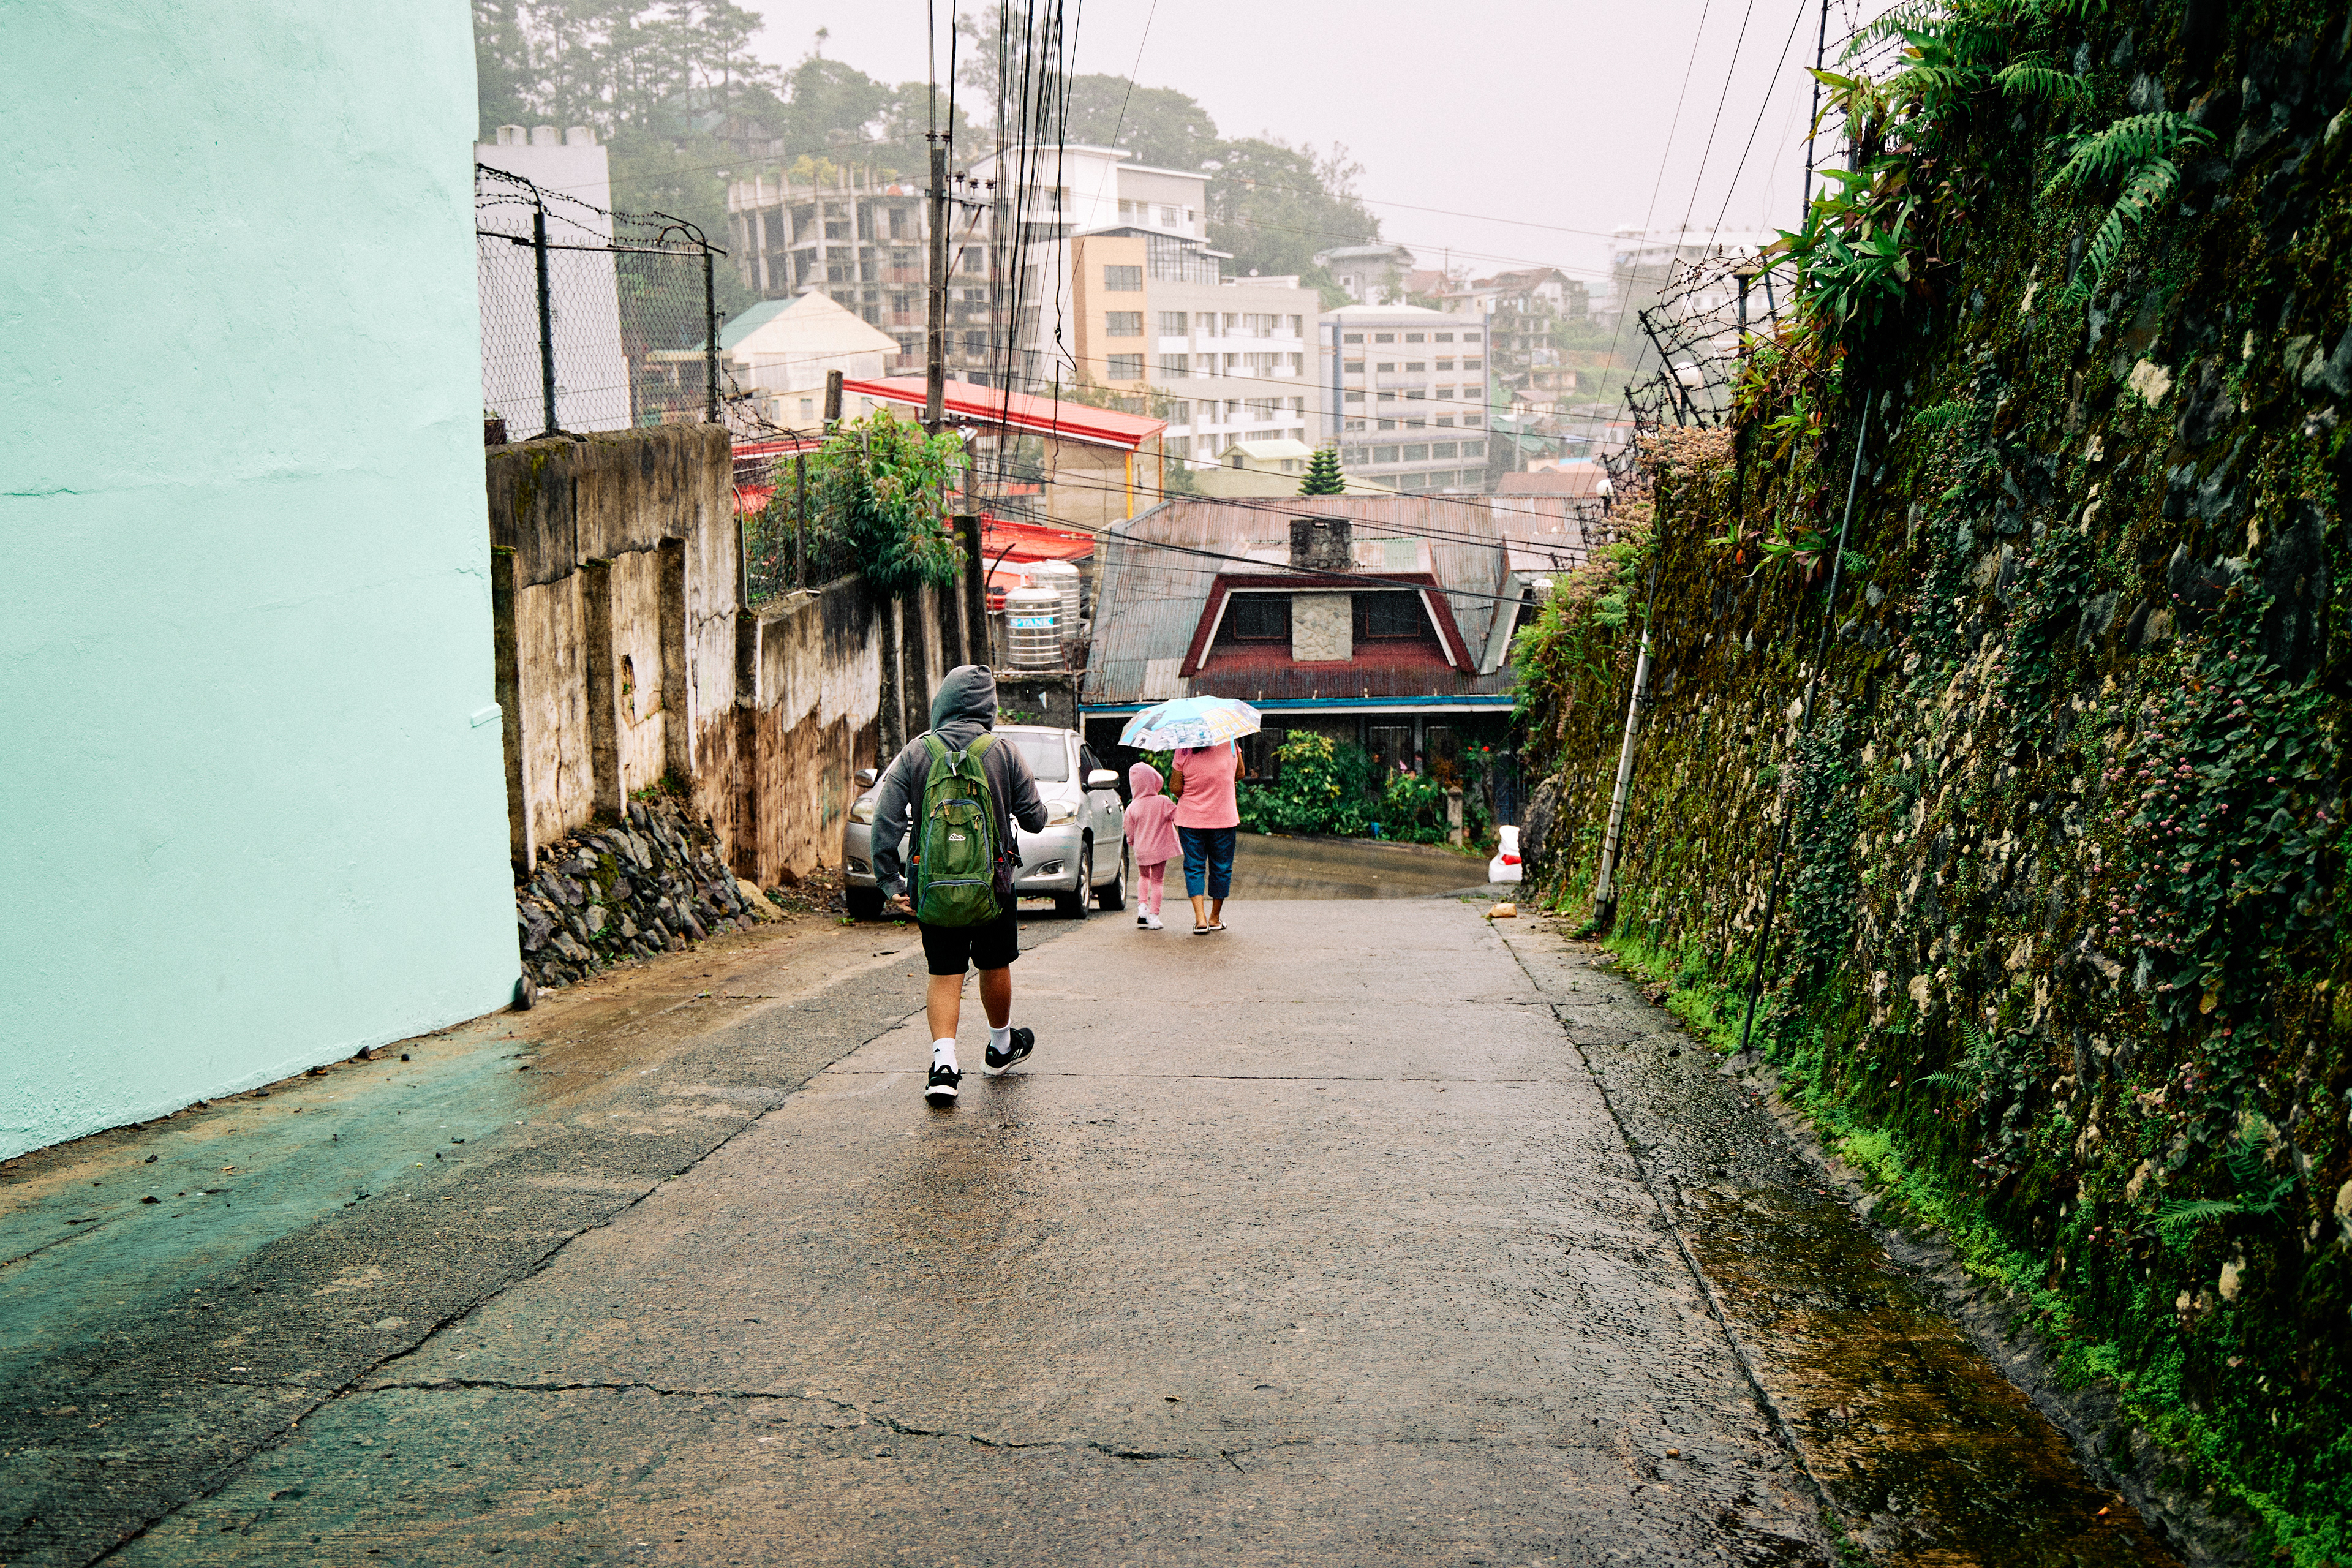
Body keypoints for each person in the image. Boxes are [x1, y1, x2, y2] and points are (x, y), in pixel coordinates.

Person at [868, 666, 1049, 1108]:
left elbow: (885, 821)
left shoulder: (916, 753)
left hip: (933, 888)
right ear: (988, 706)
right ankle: (1001, 1047)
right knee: (994, 963)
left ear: (943, 701)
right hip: (994, 886)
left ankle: (943, 1066)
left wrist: (890, 881)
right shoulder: (1002, 751)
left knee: (945, 972)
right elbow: (1037, 819)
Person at [1171, 739, 1243, 935]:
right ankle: (1215, 918)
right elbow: (1240, 773)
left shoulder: (1184, 748)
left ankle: (1200, 920)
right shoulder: (1230, 742)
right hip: (1224, 817)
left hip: (1191, 820)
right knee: (1221, 867)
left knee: (1194, 867)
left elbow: (1176, 788)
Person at [1124, 760, 1179, 932]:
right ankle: (1154, 916)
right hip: (1160, 850)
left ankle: (1142, 907)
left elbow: (1129, 829)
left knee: (1144, 877)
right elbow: (1178, 815)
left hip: (1141, 850)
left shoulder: (1132, 807)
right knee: (1157, 881)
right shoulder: (1163, 802)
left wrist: (1131, 841)